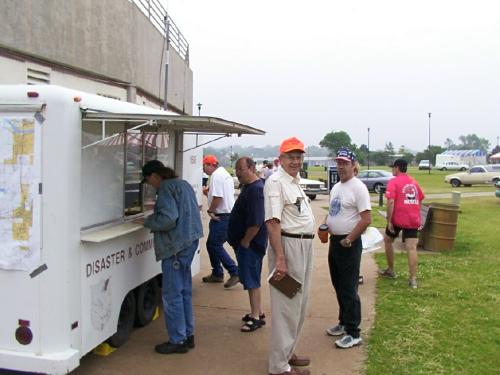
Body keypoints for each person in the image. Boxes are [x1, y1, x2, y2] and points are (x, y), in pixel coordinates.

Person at [140, 160, 203, 354]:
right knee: (184, 291)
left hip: (175, 247)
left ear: (155, 176)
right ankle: (188, 334)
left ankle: (177, 339)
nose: (150, 184)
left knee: (171, 294)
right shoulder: (182, 184)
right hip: (189, 242)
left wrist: (148, 221)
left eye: (149, 180)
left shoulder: (166, 188)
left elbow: (168, 218)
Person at [265, 137, 315, 375]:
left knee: (299, 305)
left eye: (298, 156)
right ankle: (278, 366)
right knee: (286, 307)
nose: (295, 161)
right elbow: (273, 223)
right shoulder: (276, 181)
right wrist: (281, 259)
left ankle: (288, 351)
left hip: (304, 246)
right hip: (289, 247)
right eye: (291, 157)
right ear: (281, 158)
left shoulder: (294, 181)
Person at [323, 148, 371, 349]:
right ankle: (343, 322)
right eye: (338, 163)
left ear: (353, 165)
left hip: (348, 243)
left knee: (349, 288)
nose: (340, 166)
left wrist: (349, 239)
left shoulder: (358, 187)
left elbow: (366, 219)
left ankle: (353, 332)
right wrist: (324, 226)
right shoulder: (337, 187)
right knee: (338, 285)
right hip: (335, 242)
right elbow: (333, 213)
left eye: (344, 163)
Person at [227, 157, 268, 332]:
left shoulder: (256, 191)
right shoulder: (249, 188)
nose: (237, 173)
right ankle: (257, 311)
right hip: (247, 245)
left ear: (251, 168)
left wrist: (245, 241)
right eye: (236, 170)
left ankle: (255, 318)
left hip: (251, 246)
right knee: (250, 278)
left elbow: (256, 222)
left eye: (241, 169)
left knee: (252, 281)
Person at [380, 158, 425, 289]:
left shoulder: (393, 182)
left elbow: (391, 202)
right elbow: (420, 199)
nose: (392, 170)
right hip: (412, 219)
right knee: (411, 248)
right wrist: (416, 213)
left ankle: (391, 270)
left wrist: (389, 221)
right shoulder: (413, 182)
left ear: (397, 168)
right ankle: (412, 280)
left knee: (388, 239)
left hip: (398, 218)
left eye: (393, 167)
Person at [202, 155, 240, 288]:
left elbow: (218, 197)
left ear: (209, 165)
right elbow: (218, 195)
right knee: (211, 244)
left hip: (222, 215)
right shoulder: (223, 174)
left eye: (204, 166)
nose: (204, 169)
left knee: (214, 245)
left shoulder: (217, 176)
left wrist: (210, 210)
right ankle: (217, 273)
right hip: (227, 214)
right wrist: (208, 194)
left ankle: (234, 271)